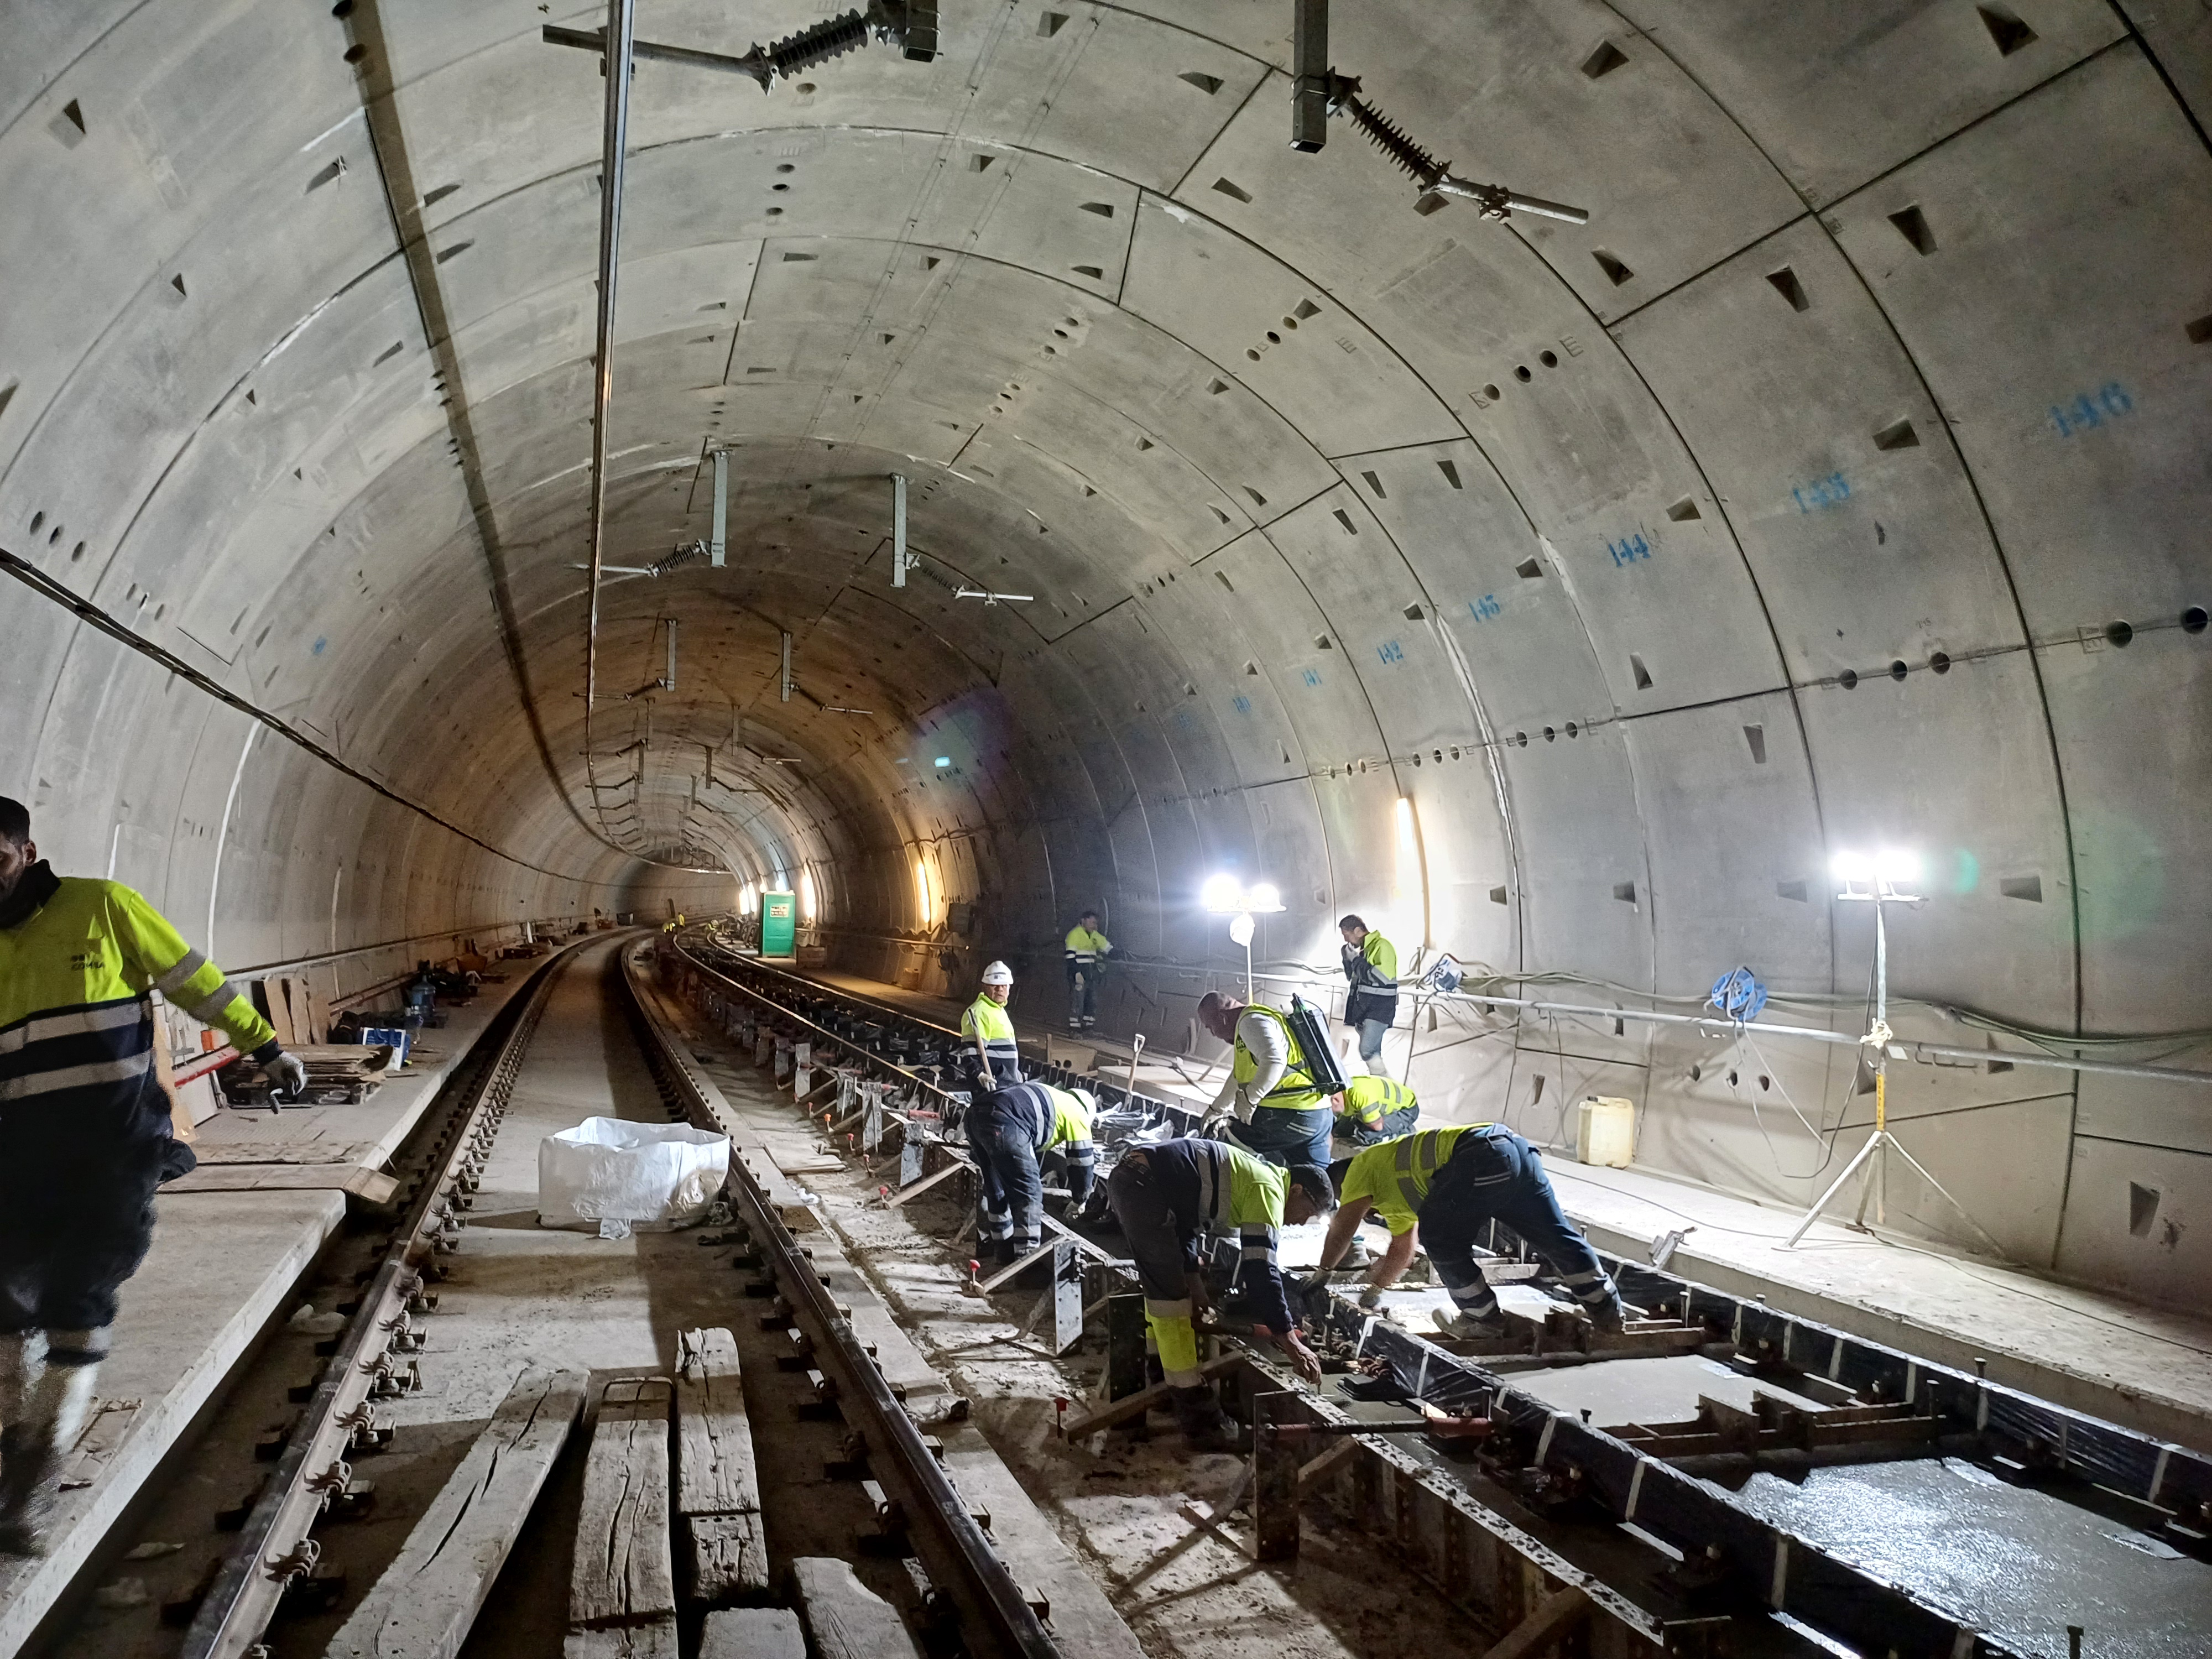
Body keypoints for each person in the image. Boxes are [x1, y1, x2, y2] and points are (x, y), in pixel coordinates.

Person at [0, 797, 305, 1554]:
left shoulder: (102, 909)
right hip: (22, 1154)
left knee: (78, 1297)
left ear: (27, 852)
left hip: (114, 1146)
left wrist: (265, 1047)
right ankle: (18, 1440)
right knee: (7, 1298)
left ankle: (34, 1480)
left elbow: (194, 981)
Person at [1104, 1137, 1331, 1446]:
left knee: (1167, 1292)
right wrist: (1290, 1340)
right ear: (1297, 1190)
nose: (1303, 1221)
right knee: (1170, 1303)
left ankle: (1160, 1383)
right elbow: (1261, 1272)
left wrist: (1197, 1287)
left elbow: (1186, 1224)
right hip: (1145, 1187)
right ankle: (1200, 1420)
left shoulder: (1255, 1176)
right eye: (1309, 1211)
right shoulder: (1269, 1191)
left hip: (1138, 1182)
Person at [1303, 1123, 1624, 1338]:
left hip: (1478, 1156)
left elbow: (1344, 1228)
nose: (1363, 1211)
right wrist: (1374, 1291)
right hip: (1516, 1152)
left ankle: (1482, 1318)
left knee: (1441, 1238)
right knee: (1555, 1236)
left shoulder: (1359, 1167)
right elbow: (1403, 1250)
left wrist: (1324, 1273)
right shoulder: (1393, 1197)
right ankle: (1608, 1312)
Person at [967, 1080, 1097, 1271]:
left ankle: (1003, 1251)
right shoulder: (1078, 1113)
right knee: (1029, 1194)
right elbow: (1082, 1163)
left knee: (996, 1188)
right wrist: (1080, 1199)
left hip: (975, 1115)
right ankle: (1026, 1264)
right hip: (1005, 1122)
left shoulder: (1056, 1097)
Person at [1196, 991, 1333, 1171]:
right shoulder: (1262, 1019)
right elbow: (1238, 1077)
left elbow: (1274, 1060)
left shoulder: (1251, 1021)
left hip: (1292, 1114)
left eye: (1210, 1027)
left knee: (1230, 1141)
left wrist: (1251, 1100)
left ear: (1222, 1018)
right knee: (1312, 1177)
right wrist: (1217, 1109)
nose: (1213, 1034)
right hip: (1318, 1114)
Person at [1337, 915, 1399, 1077]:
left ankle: (1386, 1081)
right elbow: (1352, 977)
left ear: (1358, 931)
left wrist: (1356, 960)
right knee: (1373, 1051)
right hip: (1364, 1009)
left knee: (1367, 1049)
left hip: (1378, 1008)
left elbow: (1381, 978)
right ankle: (1380, 1082)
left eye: (1347, 935)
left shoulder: (1382, 946)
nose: (1346, 941)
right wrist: (1347, 960)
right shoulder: (1364, 950)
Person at [959, 961, 1022, 1092]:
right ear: (985, 986)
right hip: (990, 1085)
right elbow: (970, 1051)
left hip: (1004, 1082)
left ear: (1009, 988)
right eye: (995, 985)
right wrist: (980, 1075)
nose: (1000, 989)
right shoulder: (979, 1012)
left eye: (1004, 986)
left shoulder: (998, 1010)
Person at [1332, 1073, 1420, 1147]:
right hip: (1376, 1106)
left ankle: (1405, 1131)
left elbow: (1378, 1126)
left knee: (1367, 1136)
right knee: (1338, 1130)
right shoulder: (1343, 1090)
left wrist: (1366, 1121)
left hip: (1407, 1110)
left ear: (1336, 1100)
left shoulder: (1362, 1096)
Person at [1063, 909, 1112, 1030]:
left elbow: (1109, 949)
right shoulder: (1074, 935)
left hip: (1091, 974)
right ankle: (1075, 1028)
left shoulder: (1095, 935)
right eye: (1092, 922)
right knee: (1078, 1001)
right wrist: (1076, 974)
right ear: (1083, 920)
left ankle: (1088, 1027)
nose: (1095, 926)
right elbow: (1070, 957)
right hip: (1080, 973)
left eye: (1096, 923)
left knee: (1091, 1001)